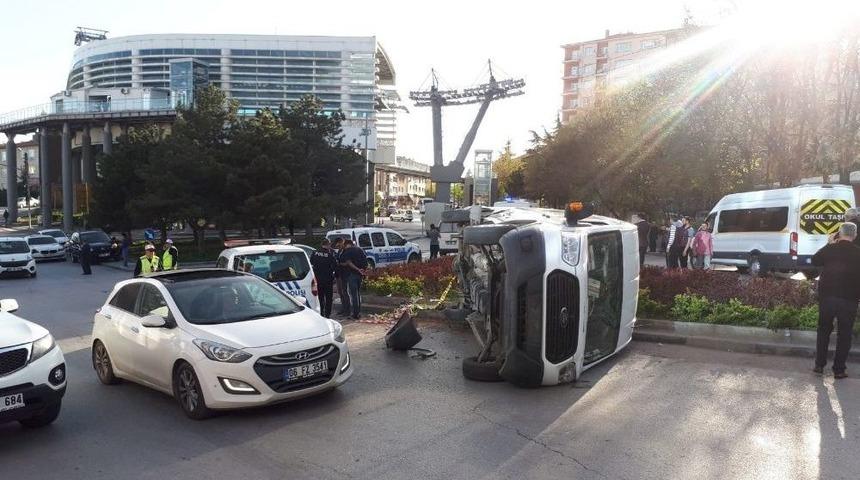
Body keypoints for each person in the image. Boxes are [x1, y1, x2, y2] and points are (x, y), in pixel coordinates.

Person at [811, 222, 860, 379]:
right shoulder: (858, 252)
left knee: (823, 330)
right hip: (849, 299)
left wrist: (828, 244)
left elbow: (814, 260)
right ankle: (839, 370)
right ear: (855, 235)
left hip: (827, 297)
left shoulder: (830, 249)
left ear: (839, 233)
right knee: (845, 334)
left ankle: (819, 365)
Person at [339, 239, 368, 320]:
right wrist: (363, 270)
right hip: (360, 275)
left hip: (352, 274)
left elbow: (349, 262)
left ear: (347, 244)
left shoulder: (348, 251)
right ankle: (358, 312)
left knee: (354, 294)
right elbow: (366, 262)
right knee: (358, 293)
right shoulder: (360, 249)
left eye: (345, 245)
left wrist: (357, 269)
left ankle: (355, 314)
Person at [311, 239, 339, 318]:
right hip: (328, 279)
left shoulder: (315, 253)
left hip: (318, 279)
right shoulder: (330, 254)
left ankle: (321, 313)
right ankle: (327, 314)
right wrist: (336, 276)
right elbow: (335, 266)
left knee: (320, 297)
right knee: (328, 298)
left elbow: (311, 262)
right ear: (328, 245)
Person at [333, 238, 350, 316]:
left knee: (345, 292)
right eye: (337, 246)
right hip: (338, 274)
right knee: (340, 292)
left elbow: (347, 263)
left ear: (342, 242)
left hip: (344, 274)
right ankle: (343, 308)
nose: (337, 247)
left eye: (339, 245)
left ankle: (347, 310)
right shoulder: (339, 251)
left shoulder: (346, 251)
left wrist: (339, 263)